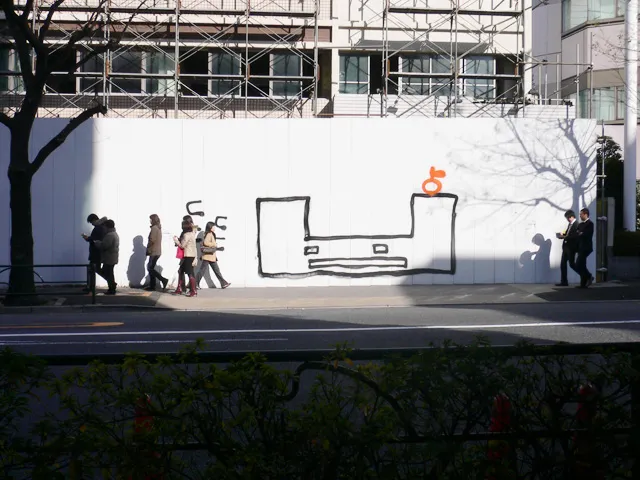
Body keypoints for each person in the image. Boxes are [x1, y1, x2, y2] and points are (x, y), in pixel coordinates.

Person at [196, 221, 231, 289]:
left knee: (216, 270)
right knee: (202, 271)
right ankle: (195, 284)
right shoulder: (209, 234)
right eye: (213, 226)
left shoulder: (210, 233)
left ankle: (223, 283)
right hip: (208, 256)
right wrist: (214, 244)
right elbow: (206, 242)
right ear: (210, 227)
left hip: (211, 256)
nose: (214, 228)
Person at [81, 213, 108, 293]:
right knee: (96, 269)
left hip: (96, 252)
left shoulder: (98, 228)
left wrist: (87, 238)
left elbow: (95, 239)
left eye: (91, 222)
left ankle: (91, 287)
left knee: (93, 270)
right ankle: (110, 281)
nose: (91, 224)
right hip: (98, 252)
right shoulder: (102, 227)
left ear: (94, 220)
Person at [94, 219, 119, 295]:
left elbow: (104, 246)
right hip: (112, 257)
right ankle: (112, 286)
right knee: (109, 273)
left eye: (104, 226)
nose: (103, 228)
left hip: (109, 257)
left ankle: (112, 288)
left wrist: (97, 243)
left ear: (107, 226)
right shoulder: (114, 234)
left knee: (108, 273)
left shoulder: (109, 235)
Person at [173, 220, 197, 297]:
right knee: (181, 270)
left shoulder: (186, 235)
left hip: (187, 256)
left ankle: (193, 291)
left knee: (189, 272)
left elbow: (182, 246)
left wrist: (176, 241)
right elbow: (195, 228)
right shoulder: (192, 233)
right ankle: (179, 288)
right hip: (192, 255)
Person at [556, 209, 580, 287]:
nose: (567, 219)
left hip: (571, 248)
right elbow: (568, 233)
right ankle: (564, 281)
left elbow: (574, 236)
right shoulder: (570, 224)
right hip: (566, 247)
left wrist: (565, 236)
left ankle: (586, 275)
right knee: (563, 264)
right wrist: (562, 234)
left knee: (572, 264)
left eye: (568, 218)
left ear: (572, 217)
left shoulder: (576, 224)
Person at [145, 214, 168, 291]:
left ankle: (163, 280)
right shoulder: (158, 227)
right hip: (157, 251)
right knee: (151, 268)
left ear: (153, 220)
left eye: (151, 219)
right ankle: (152, 285)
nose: (150, 221)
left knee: (150, 268)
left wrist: (148, 248)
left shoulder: (154, 228)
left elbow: (152, 240)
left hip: (153, 251)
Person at [576, 208, 595, 288]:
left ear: (585, 214)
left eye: (581, 214)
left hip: (586, 247)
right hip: (580, 247)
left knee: (579, 264)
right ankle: (583, 284)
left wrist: (581, 233)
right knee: (582, 265)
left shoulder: (590, 224)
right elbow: (577, 233)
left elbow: (587, 234)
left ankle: (589, 276)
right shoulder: (580, 224)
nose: (580, 216)